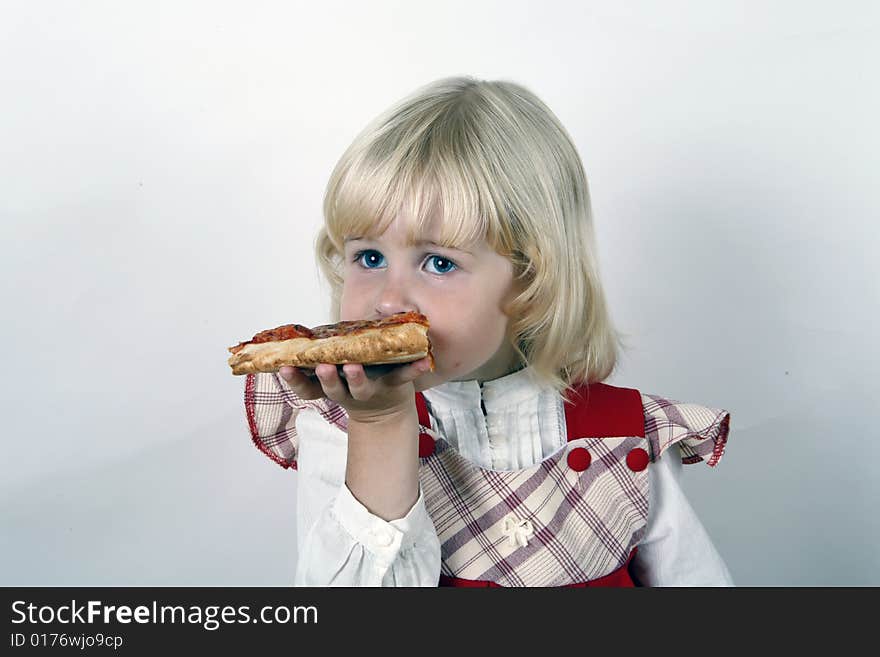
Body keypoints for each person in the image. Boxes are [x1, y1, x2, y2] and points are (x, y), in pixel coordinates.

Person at [241, 76, 734, 586]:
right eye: (369, 257)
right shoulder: (339, 431)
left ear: (531, 281)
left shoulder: (629, 437)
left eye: (437, 262)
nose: (388, 299)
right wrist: (380, 427)